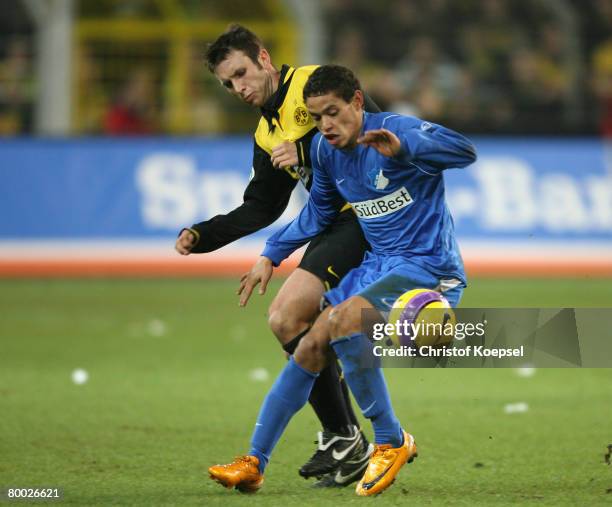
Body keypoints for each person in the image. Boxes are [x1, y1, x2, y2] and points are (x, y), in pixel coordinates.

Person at [208, 65, 477, 496]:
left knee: (344, 321)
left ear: (356, 101)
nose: (325, 126)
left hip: (429, 268)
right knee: (312, 343)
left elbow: (465, 152)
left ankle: (389, 440)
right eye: (316, 117)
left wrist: (406, 149)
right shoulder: (325, 151)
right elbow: (318, 213)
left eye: (332, 112)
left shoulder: (395, 130)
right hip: (378, 267)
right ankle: (255, 461)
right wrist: (270, 255)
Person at [175, 25, 380, 486]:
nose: (239, 88)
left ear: (265, 59)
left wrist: (307, 147)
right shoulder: (267, 132)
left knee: (295, 319)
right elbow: (262, 206)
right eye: (228, 83)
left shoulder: (312, 85)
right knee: (292, 322)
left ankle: (351, 437)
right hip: (337, 224)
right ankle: (347, 438)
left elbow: (370, 129)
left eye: (242, 73)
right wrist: (202, 234)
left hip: (368, 216)